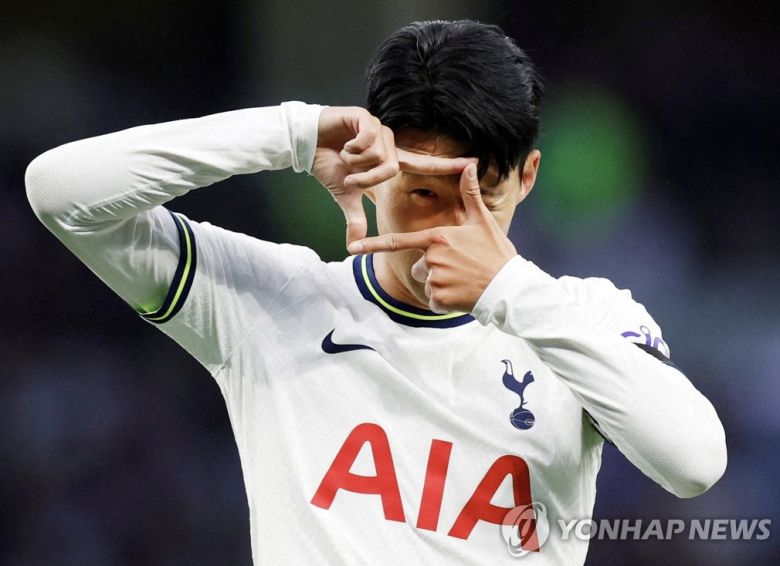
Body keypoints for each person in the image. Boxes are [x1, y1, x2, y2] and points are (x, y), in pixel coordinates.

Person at [25, 19, 726, 565]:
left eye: (482, 196)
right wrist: (292, 133)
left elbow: (695, 464)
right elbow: (60, 191)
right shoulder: (271, 301)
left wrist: (509, 288)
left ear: (528, 177)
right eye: (423, 193)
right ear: (377, 167)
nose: (450, 227)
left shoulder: (585, 315)